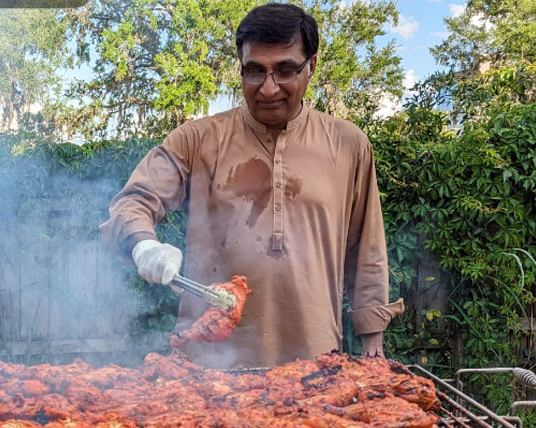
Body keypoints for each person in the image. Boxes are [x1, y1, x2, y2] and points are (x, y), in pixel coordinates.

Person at [100, 3, 404, 369]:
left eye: (285, 70)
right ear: (241, 69)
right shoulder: (196, 140)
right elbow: (133, 202)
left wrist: (373, 345)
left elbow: (366, 250)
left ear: (312, 66)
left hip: (315, 365)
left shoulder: (349, 144)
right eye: (254, 71)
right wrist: (143, 244)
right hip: (208, 368)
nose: (268, 88)